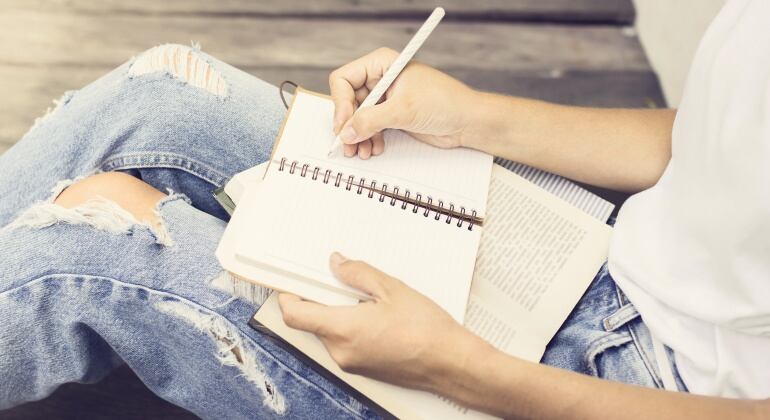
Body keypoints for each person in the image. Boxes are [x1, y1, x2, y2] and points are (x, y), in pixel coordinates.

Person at [0, 0, 768, 418]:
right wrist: (471, 117)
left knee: (91, 246)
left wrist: (464, 371)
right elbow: (707, 138)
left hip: (615, 392)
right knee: (159, 94)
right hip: (595, 261)